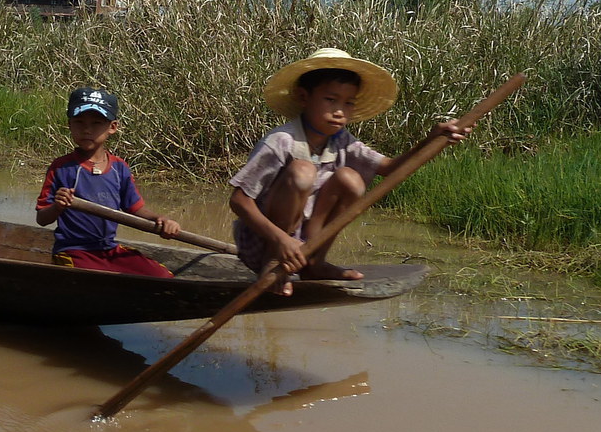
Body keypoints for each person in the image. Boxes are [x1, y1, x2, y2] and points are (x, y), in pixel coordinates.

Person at [228, 48, 471, 295]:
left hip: (303, 245)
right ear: (304, 97)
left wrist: (432, 140)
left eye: (348, 103)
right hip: (265, 242)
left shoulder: (341, 139)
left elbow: (389, 168)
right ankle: (273, 263)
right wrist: (281, 240)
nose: (339, 111)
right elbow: (239, 200)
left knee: (351, 179)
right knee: (302, 171)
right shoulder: (281, 141)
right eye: (330, 100)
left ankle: (315, 261)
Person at [35, 87, 183, 277]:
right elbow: (42, 219)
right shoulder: (61, 168)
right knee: (91, 281)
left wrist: (160, 219)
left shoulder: (119, 168)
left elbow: (135, 209)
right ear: (69, 125)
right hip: (74, 250)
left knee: (163, 277)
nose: (87, 130)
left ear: (112, 127)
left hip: (109, 249)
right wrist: (58, 206)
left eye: (96, 123)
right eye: (79, 122)